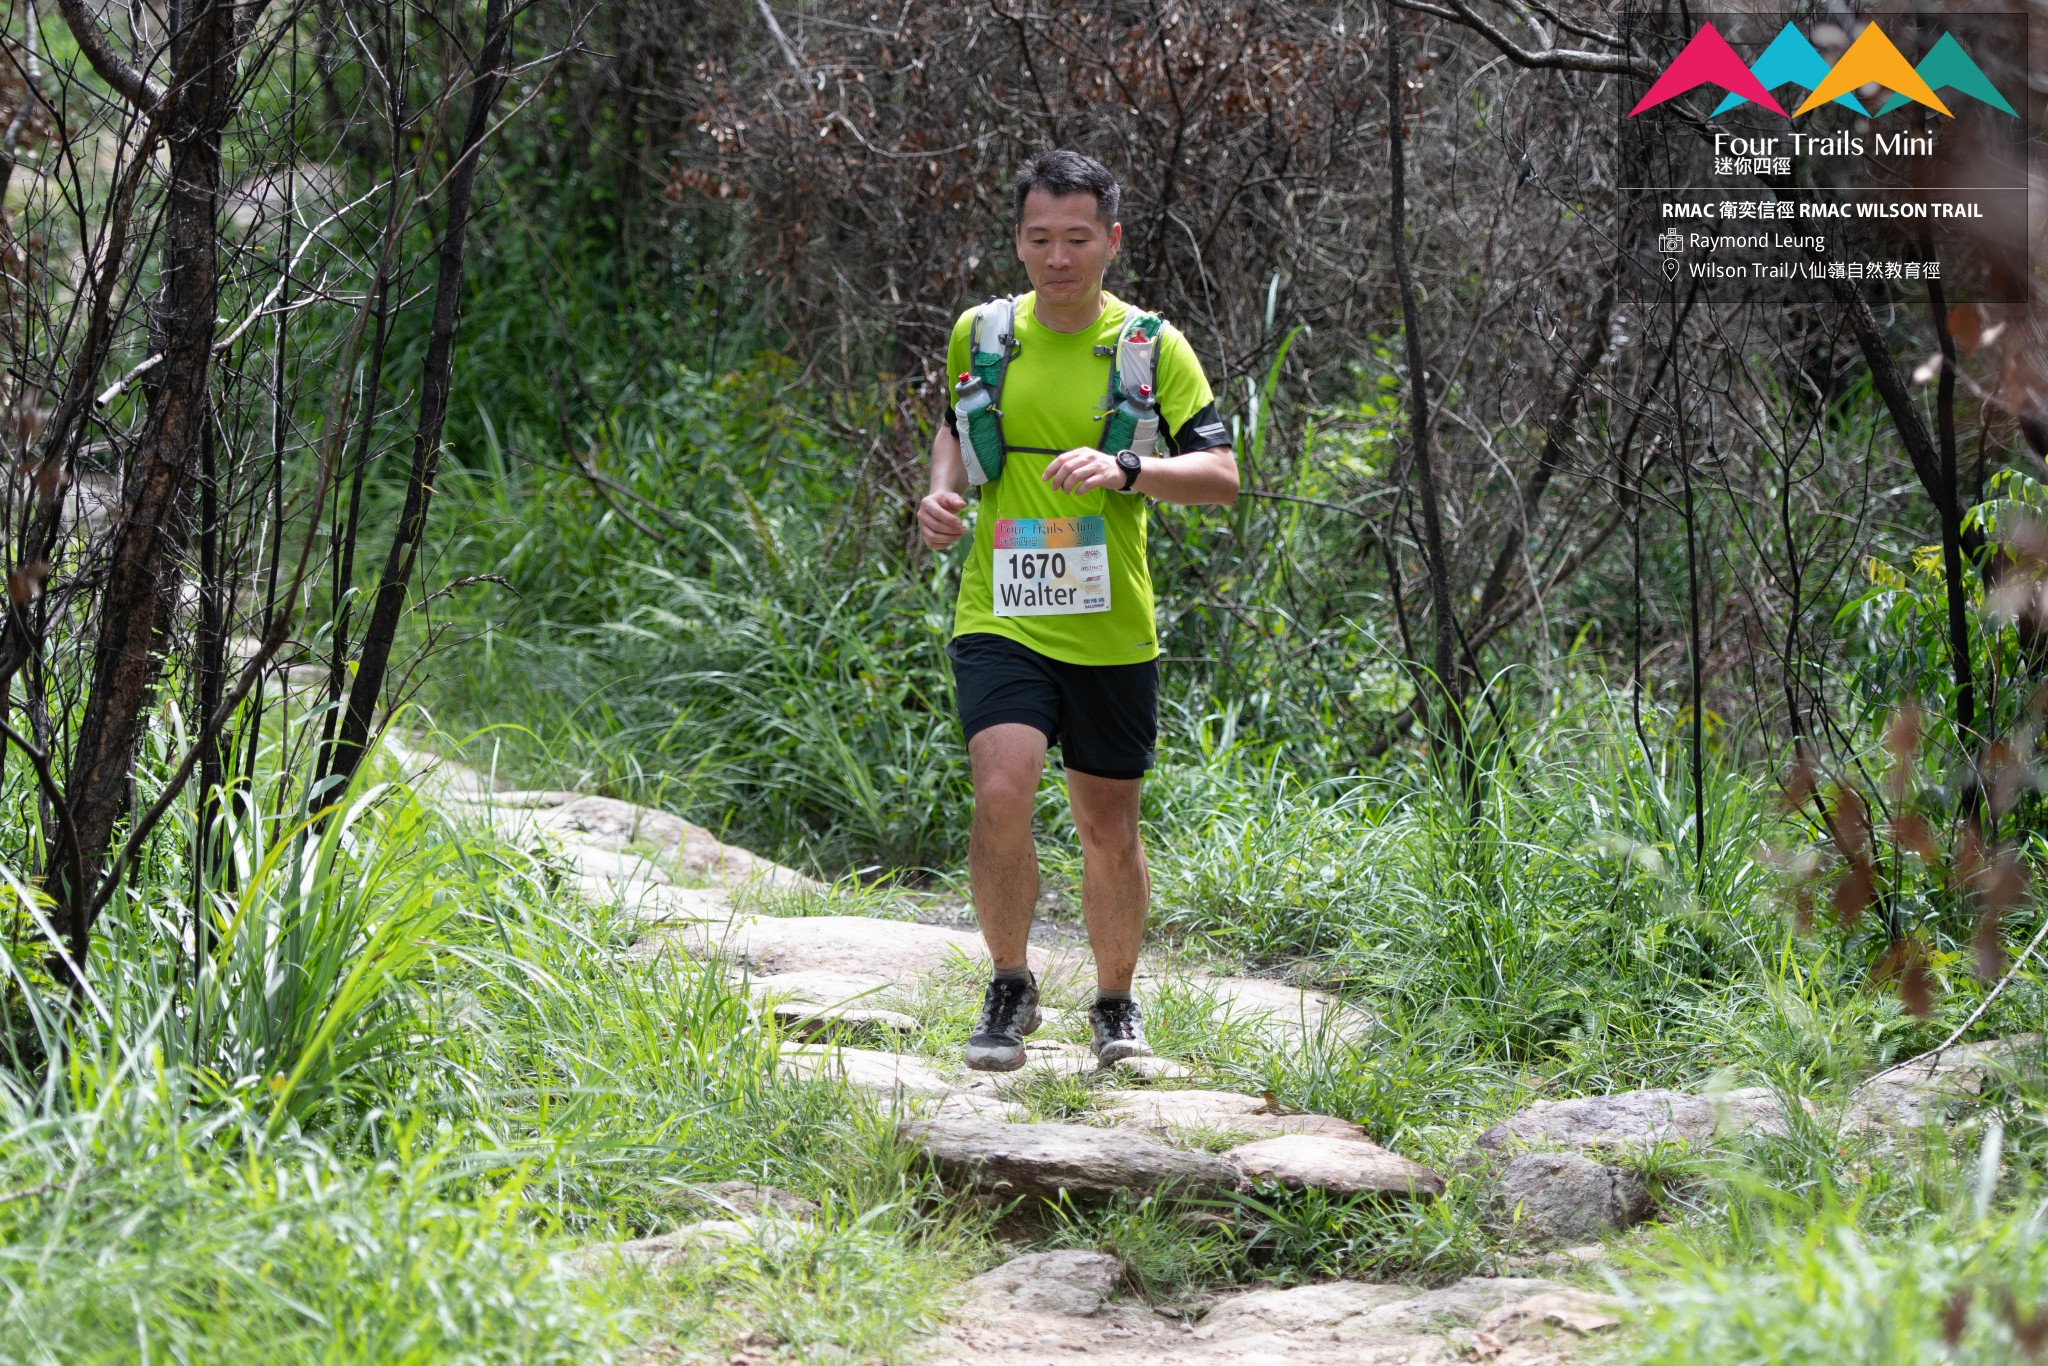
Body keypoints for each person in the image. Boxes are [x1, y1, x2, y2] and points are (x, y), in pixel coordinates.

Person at [917, 149, 1239, 1071]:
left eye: (1077, 238)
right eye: (1039, 238)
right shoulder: (982, 334)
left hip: (1109, 623)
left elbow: (1221, 474)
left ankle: (1114, 1002)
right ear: (1018, 240)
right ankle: (1009, 984)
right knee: (1001, 789)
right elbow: (955, 427)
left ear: (1112, 240)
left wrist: (1127, 466)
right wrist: (940, 495)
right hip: (1000, 609)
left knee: (1108, 827)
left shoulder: (1148, 347)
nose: (1057, 258)